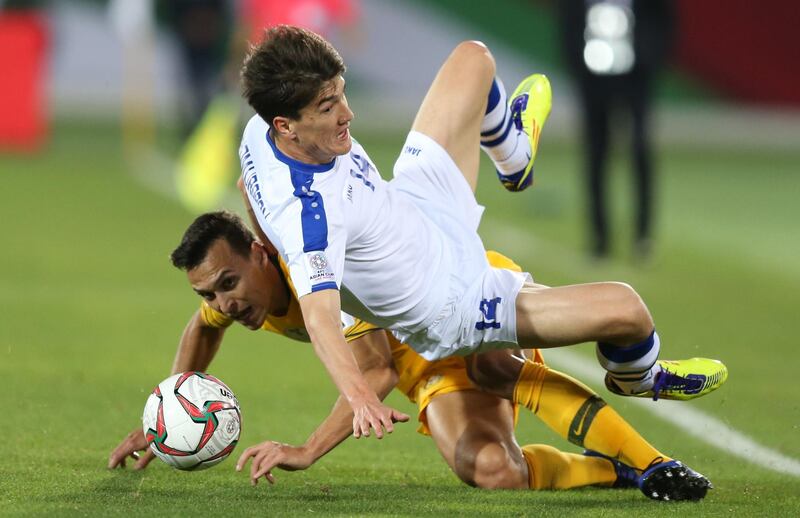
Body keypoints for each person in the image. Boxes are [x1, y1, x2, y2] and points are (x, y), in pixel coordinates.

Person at [237, 23, 725, 453]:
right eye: (328, 106)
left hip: (414, 201)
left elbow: (247, 188)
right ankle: (640, 378)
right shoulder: (308, 217)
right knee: (627, 309)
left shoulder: (260, 136)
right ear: (288, 126)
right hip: (455, 300)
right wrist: (362, 400)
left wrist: (270, 239)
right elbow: (321, 319)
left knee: (474, 59)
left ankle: (514, 159)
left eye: (342, 93)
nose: (347, 113)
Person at [109, 211, 711, 500]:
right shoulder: (236, 296)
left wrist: (305, 451)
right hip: (420, 357)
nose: (222, 302)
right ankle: (620, 470)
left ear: (263, 254)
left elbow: (375, 370)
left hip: (463, 300)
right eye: (209, 290)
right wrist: (169, 411)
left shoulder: (318, 274)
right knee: (493, 471)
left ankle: (653, 453)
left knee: (494, 364)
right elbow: (202, 327)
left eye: (229, 283)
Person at [557, 0, 675, 259]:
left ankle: (643, 236)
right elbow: (568, 19)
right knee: (596, 154)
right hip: (593, 79)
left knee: (640, 150)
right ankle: (599, 238)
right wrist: (577, 62)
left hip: (635, 77)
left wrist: (648, 59)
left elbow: (663, 19)